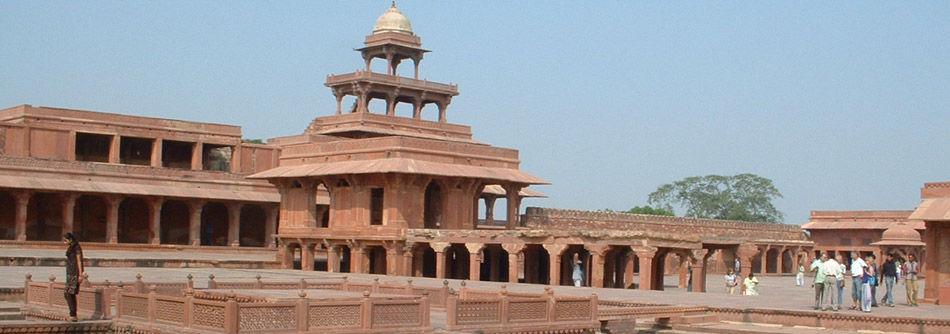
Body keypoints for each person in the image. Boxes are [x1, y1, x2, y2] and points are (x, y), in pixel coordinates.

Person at [63, 233, 84, 322]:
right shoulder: (71, 248)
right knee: (69, 293)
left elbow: (79, 261)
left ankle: (73, 315)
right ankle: (73, 314)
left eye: (66, 240)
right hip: (70, 273)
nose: (64, 242)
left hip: (75, 273)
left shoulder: (77, 248)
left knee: (68, 293)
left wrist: (80, 275)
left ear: (70, 239)